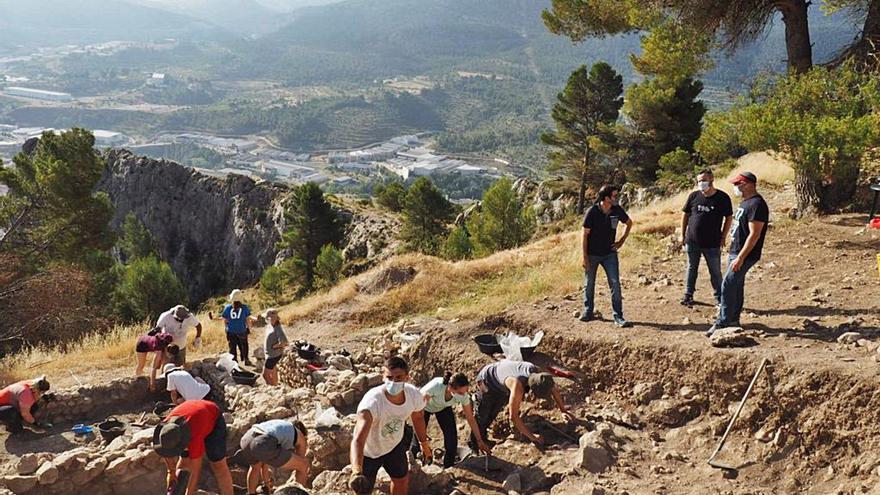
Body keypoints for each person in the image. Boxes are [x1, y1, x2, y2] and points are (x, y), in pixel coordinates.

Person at [349, 357, 431, 495]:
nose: (393, 382)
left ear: (407, 377)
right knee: (363, 490)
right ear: (383, 377)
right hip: (368, 452)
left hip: (393, 445)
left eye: (398, 377)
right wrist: (357, 471)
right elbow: (358, 439)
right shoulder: (372, 403)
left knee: (401, 479)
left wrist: (424, 445)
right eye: (389, 377)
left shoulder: (413, 395)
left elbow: (418, 418)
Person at [707, 172, 770, 337]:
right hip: (735, 251)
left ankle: (723, 321)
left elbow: (754, 234)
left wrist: (741, 257)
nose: (735, 187)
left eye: (738, 184)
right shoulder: (745, 203)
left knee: (727, 285)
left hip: (745, 255)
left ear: (748, 184)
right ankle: (733, 320)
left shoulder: (757, 204)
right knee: (736, 286)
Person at [470, 360, 574, 449]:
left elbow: (554, 389)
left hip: (500, 381)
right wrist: (532, 437)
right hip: (486, 380)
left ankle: (483, 437)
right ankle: (474, 444)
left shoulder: (538, 374)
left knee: (495, 410)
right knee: (483, 413)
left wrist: (563, 410)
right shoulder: (517, 386)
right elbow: (513, 417)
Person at [410, 371, 491, 468]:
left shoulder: (463, 396)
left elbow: (471, 419)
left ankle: (449, 467)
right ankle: (411, 464)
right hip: (423, 408)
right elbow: (417, 410)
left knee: (451, 437)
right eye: (460, 392)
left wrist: (479, 441)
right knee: (418, 439)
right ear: (450, 388)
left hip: (443, 408)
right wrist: (423, 436)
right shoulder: (436, 386)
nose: (463, 395)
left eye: (465, 392)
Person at [153, 399, 233, 495]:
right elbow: (164, 450)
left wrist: (188, 493)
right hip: (192, 416)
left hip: (212, 416)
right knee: (183, 464)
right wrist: (171, 471)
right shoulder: (166, 430)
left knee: (218, 465)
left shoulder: (194, 437)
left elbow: (195, 470)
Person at [580, 185, 634, 327]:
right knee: (589, 283)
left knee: (615, 283)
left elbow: (629, 223)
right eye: (614, 196)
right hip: (592, 254)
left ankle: (618, 316)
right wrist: (585, 256)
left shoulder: (617, 210)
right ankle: (588, 311)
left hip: (609, 254)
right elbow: (585, 235)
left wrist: (621, 241)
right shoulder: (592, 212)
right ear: (606, 198)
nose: (617, 198)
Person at [680, 169, 734, 307]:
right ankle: (688, 294)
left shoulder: (722, 198)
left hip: (712, 242)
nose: (701, 183)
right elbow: (685, 215)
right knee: (691, 268)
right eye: (699, 181)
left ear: (711, 180)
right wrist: (682, 235)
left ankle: (720, 297)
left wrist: (723, 236)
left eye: (704, 180)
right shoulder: (693, 196)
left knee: (715, 271)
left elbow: (728, 217)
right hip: (692, 241)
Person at [233, 420, 310, 494]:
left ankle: (251, 493)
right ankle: (297, 493)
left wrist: (267, 485)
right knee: (303, 465)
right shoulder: (301, 437)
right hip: (262, 442)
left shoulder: (281, 428)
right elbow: (300, 462)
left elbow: (264, 463)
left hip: (247, 438)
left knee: (255, 467)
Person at [221, 289, 253, 365]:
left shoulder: (227, 308)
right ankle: (245, 359)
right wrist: (248, 328)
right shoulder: (244, 307)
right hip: (242, 330)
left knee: (232, 347)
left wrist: (226, 328)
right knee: (244, 345)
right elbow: (247, 319)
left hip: (231, 330)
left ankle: (234, 362)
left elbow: (225, 319)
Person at [262, 308, 288, 386]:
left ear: (271, 318)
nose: (266, 319)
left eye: (267, 318)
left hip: (273, 355)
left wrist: (274, 346)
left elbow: (284, 342)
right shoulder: (271, 326)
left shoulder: (278, 328)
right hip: (270, 354)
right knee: (273, 370)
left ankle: (273, 388)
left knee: (265, 375)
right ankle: (276, 384)